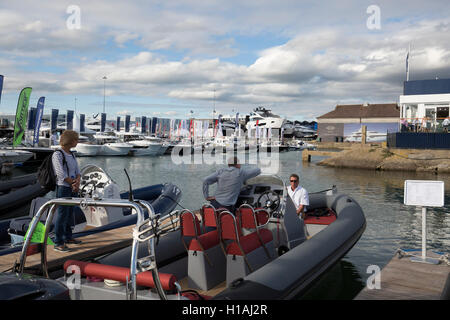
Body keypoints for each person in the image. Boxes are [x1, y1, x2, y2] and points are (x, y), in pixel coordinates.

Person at [52, 130, 82, 252]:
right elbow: (60, 174)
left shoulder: (72, 154)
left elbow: (77, 171)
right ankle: (58, 241)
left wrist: (77, 181)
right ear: (70, 140)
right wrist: (73, 183)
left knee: (70, 213)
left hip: (72, 188)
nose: (77, 141)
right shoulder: (58, 154)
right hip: (64, 188)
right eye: (76, 139)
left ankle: (68, 237)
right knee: (62, 214)